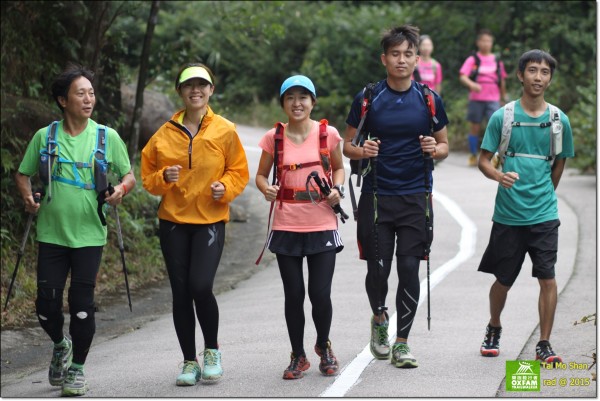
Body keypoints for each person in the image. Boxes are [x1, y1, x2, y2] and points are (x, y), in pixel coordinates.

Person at [14, 63, 136, 396]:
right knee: (46, 306)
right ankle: (60, 344)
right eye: (80, 93)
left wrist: (120, 190)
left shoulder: (106, 137)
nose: (88, 99)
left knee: (82, 306)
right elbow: (23, 174)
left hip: (89, 235)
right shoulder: (45, 137)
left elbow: (129, 176)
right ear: (62, 100)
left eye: (91, 93)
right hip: (51, 233)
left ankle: (77, 370)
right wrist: (28, 198)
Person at [342, 25, 449, 368]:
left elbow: (444, 145)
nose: (401, 60)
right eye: (395, 54)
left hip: (416, 196)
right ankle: (379, 317)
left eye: (408, 54)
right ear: (384, 59)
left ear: (417, 59)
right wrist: (363, 150)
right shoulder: (368, 98)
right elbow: (347, 146)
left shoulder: (429, 99)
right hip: (376, 196)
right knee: (378, 269)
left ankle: (402, 342)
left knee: (408, 269)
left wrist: (434, 148)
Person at [141, 63, 249, 386]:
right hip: (173, 222)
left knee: (200, 285)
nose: (196, 90)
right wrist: (164, 176)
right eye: (189, 85)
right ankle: (189, 361)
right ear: (180, 91)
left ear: (211, 90)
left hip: (210, 221)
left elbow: (238, 171)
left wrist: (224, 188)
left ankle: (212, 351)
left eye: (202, 85)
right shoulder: (164, 134)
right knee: (180, 293)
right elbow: (148, 178)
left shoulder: (225, 130)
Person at [477, 50, 574, 364]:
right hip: (509, 215)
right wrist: (499, 176)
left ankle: (544, 343)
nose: (538, 77)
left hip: (544, 215)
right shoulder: (502, 117)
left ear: (550, 78)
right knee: (503, 279)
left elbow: (559, 163)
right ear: (520, 75)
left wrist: (545, 195)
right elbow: (483, 161)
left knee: (548, 278)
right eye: (532, 70)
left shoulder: (559, 121)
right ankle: (494, 326)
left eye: (545, 72)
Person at [255, 75, 345, 380]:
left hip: (322, 222)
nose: (297, 103)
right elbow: (261, 176)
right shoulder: (274, 138)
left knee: (320, 294)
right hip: (286, 225)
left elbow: (339, 167)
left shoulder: (328, 134)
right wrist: (266, 188)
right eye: (290, 98)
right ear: (283, 103)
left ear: (313, 102)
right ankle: (298, 355)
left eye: (303, 97)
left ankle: (324, 345)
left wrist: (338, 189)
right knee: (293, 294)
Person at [459, 28, 508, 166]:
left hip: (493, 99)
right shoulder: (473, 59)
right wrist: (472, 84)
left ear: (492, 43)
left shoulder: (497, 60)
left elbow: (502, 80)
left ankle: (495, 156)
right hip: (476, 99)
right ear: (478, 42)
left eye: (489, 41)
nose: (486, 43)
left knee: (495, 127)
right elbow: (462, 76)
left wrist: (503, 97)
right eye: (483, 40)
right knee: (475, 127)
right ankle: (473, 154)